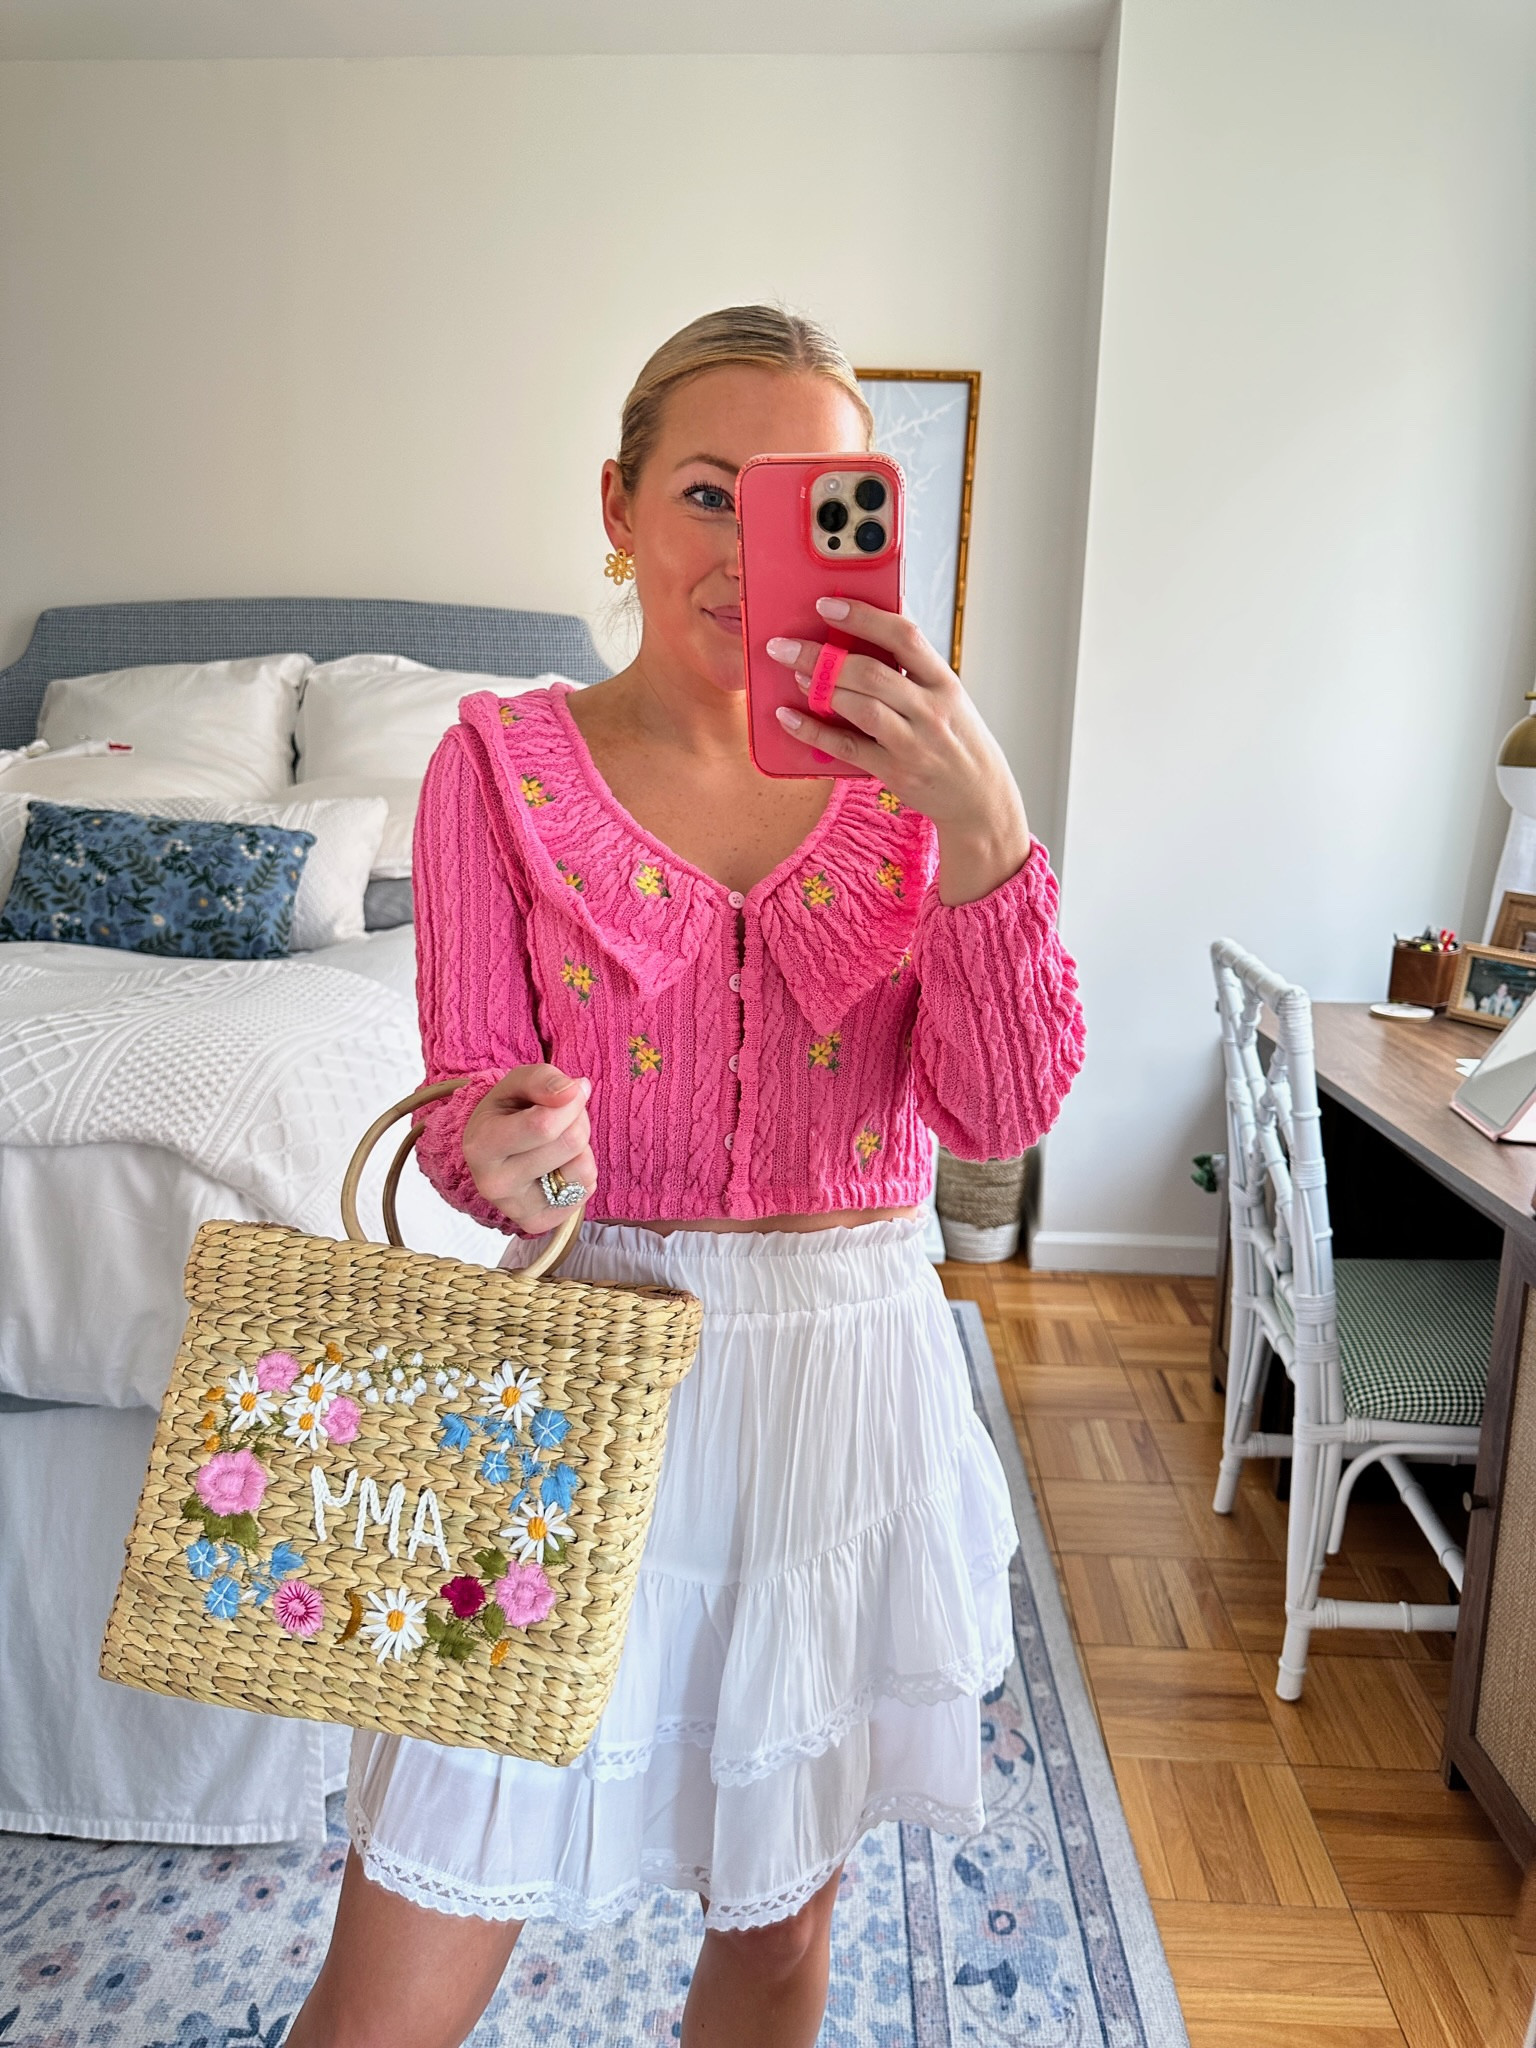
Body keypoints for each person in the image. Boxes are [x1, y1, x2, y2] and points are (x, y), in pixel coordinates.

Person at [287, 304, 1085, 2048]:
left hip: (841, 1389)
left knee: (778, 1942)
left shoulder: (921, 795)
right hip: (577, 1378)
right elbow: (459, 1117)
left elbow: (1002, 1108)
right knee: (398, 1972)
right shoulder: (494, 767)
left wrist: (989, 837)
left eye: (810, 501)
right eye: (710, 492)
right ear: (622, 507)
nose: (749, 547)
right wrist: (492, 1148)